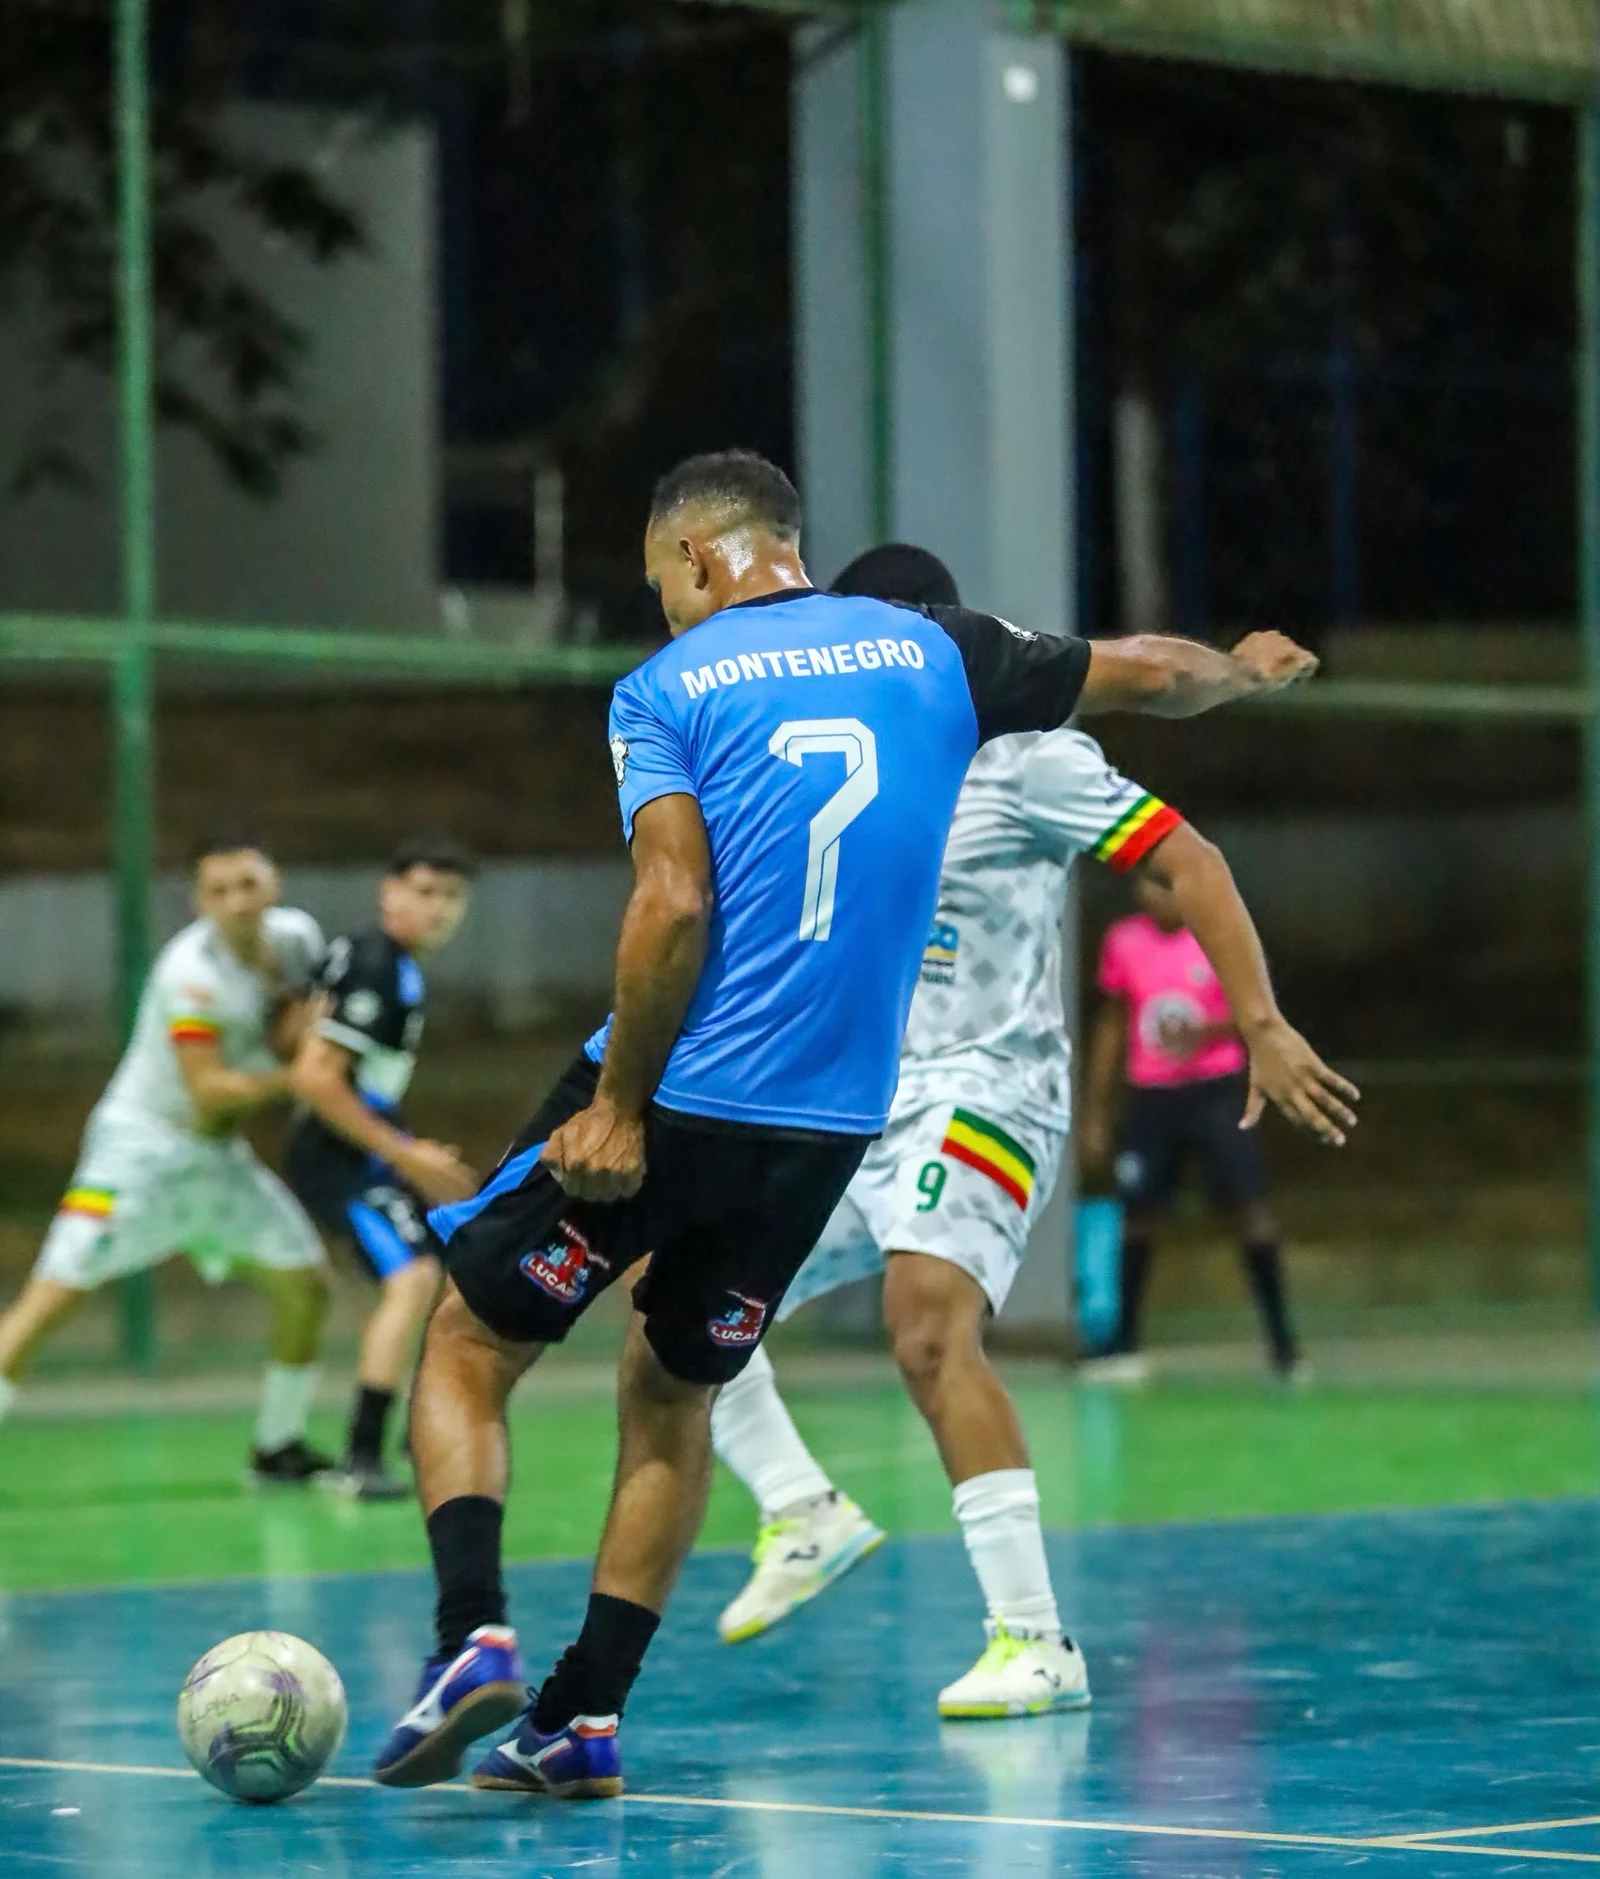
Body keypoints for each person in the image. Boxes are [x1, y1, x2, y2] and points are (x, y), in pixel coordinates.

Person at [371, 448, 1333, 1799]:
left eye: (659, 581)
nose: (662, 605)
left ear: (698, 556)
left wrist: (617, 1105)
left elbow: (673, 902)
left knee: (468, 1340)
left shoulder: (668, 685)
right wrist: (1237, 668)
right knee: (675, 1385)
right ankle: (585, 1713)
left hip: (704, 1083)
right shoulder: (939, 656)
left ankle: (469, 1634)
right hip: (830, 1125)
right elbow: (1150, 672)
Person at [707, 546, 1357, 1718]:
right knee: (683, 1292)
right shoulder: (832, 767)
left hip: (988, 1089)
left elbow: (1190, 857)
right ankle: (801, 1507)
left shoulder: (1026, 758)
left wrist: (1259, 1021)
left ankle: (1035, 1640)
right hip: (856, 1100)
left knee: (925, 1329)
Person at [0, 828, 335, 1485]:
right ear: (199, 901)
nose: (237, 901)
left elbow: (298, 1023)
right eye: (219, 890)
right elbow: (207, 1089)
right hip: (137, 1155)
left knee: (307, 1286)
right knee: (49, 1301)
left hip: (217, 1159)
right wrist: (299, 1077)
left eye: (249, 884)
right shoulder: (191, 975)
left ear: (273, 883)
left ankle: (277, 1446)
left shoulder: (297, 938)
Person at [286, 838, 479, 1500]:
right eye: (424, 892)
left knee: (446, 1265)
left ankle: (420, 1431)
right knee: (411, 1277)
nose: (437, 908)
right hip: (341, 1153)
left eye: (451, 897)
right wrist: (402, 1153)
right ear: (389, 891)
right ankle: (360, 1456)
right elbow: (317, 1077)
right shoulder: (375, 963)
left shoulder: (385, 961)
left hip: (369, 1143)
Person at [1079, 872, 1304, 1380]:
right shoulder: (1125, 942)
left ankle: (1284, 1344)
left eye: (1166, 885)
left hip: (1214, 1092)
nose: (1157, 897)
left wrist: (1205, 1031)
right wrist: (1097, 1108)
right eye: (1148, 885)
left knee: (1249, 1210)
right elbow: (1113, 1022)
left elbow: (1257, 1012)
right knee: (1138, 1213)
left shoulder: (1220, 932)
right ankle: (1123, 1345)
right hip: (1151, 1094)